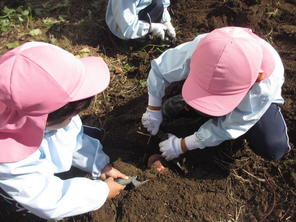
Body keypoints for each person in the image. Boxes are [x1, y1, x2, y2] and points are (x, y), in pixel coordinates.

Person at [0, 42, 128, 220]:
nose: (73, 119)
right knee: (24, 210)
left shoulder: (54, 118)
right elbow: (48, 200)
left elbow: (75, 141)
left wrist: (99, 164)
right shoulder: (10, 158)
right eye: (72, 115)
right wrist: (101, 191)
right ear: (46, 118)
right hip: (20, 192)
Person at [141, 26, 291, 162]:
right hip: (210, 79)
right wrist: (153, 107)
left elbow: (233, 124)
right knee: (194, 108)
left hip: (254, 103)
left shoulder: (264, 86)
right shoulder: (206, 47)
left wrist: (183, 145)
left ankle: (205, 108)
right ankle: (191, 103)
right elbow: (161, 70)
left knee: (273, 147)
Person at [105, 0, 176, 41]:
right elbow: (127, 28)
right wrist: (151, 27)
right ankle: (134, 41)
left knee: (158, 4)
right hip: (121, 28)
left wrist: (166, 21)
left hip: (139, 13)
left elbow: (163, 3)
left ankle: (144, 33)